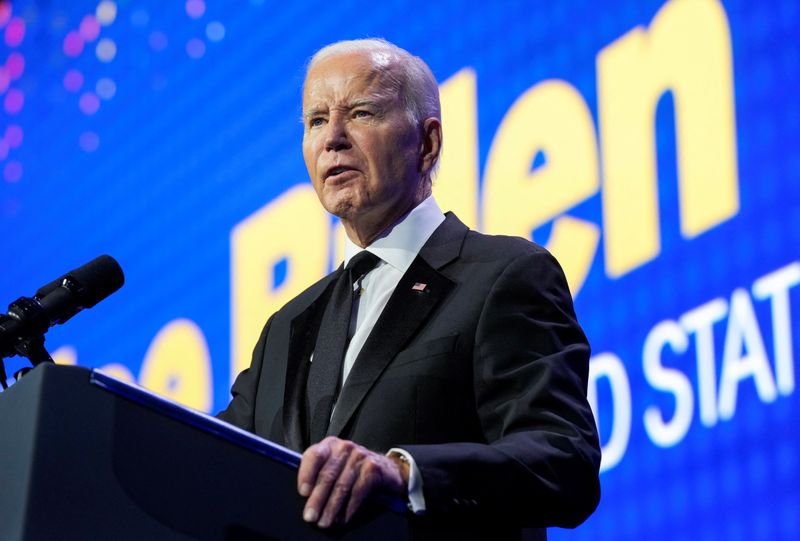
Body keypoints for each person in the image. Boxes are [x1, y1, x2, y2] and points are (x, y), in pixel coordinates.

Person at [218, 38, 601, 540]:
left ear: (427, 143)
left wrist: (404, 474)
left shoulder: (502, 275)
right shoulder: (286, 328)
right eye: (316, 120)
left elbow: (563, 460)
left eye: (360, 113)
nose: (332, 138)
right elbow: (214, 464)